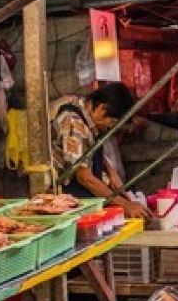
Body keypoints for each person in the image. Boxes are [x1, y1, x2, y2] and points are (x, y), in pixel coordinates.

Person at [51, 83, 150, 218]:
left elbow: (88, 152)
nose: (111, 127)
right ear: (102, 109)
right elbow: (84, 177)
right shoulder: (73, 123)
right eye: (112, 122)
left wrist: (112, 174)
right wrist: (126, 205)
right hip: (69, 199)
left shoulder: (88, 121)